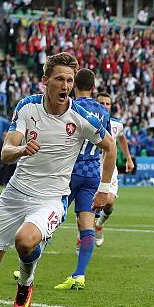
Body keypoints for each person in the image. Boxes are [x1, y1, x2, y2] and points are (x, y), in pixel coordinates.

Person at [0, 53, 116, 307]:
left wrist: (105, 189)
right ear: (46, 81)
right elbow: (6, 152)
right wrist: (21, 150)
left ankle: (26, 282)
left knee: (25, 241)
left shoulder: (81, 117)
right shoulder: (27, 107)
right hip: (15, 193)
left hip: (51, 198)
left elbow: (110, 146)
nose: (65, 85)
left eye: (69, 80)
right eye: (59, 79)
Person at [53, 69, 115, 290]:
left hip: (68, 171)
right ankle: (79, 275)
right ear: (93, 86)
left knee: (49, 218)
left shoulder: (70, 107)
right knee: (86, 225)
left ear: (73, 85)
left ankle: (28, 264)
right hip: (92, 174)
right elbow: (107, 143)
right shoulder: (102, 112)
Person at [94, 92, 136, 247]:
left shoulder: (117, 125)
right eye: (101, 103)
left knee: (109, 201)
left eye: (107, 104)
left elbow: (122, 139)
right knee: (88, 206)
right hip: (90, 167)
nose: (105, 106)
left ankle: (99, 225)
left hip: (109, 168)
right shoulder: (87, 121)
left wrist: (129, 159)